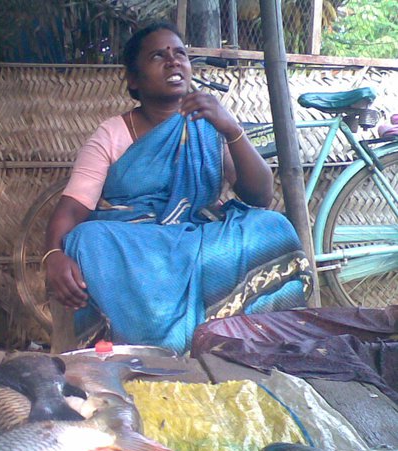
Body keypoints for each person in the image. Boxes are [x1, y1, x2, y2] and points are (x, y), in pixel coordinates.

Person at [44, 22, 313, 354]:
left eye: (180, 54)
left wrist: (230, 129)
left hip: (199, 236)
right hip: (137, 246)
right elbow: (72, 209)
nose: (173, 61)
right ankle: (161, 341)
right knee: (87, 238)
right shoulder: (112, 133)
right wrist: (53, 254)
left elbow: (259, 195)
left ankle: (232, 335)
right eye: (158, 55)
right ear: (133, 79)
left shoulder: (210, 126)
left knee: (272, 225)